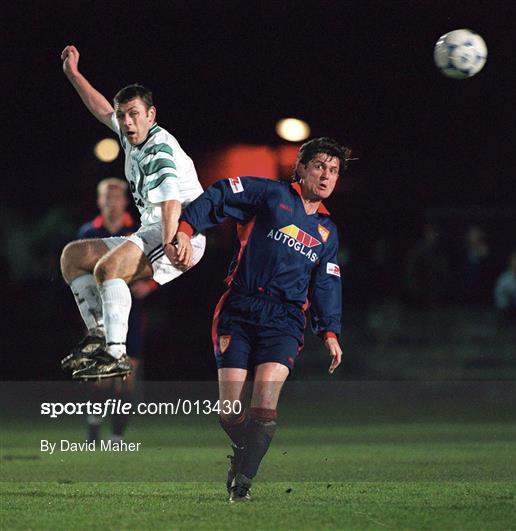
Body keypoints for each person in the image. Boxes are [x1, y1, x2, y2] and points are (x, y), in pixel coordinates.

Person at [174, 137, 347, 502]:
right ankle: (246, 452)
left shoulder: (328, 232)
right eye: (319, 166)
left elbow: (326, 282)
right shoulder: (269, 195)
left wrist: (329, 330)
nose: (326, 175)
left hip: (284, 320)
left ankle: (243, 483)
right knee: (229, 413)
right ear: (300, 168)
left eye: (333, 170)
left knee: (265, 406)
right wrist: (187, 229)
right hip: (240, 308)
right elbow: (220, 195)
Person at [59, 45, 205, 380]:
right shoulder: (130, 136)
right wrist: (74, 74)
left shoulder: (159, 148)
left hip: (182, 233)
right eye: (122, 115)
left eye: (134, 114)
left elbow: (170, 202)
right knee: (73, 257)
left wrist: (171, 242)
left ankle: (116, 354)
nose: (126, 121)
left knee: (108, 268)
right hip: (154, 229)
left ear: (151, 115)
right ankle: (98, 333)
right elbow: (100, 110)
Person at [76, 178, 155, 442]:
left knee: (126, 374)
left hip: (131, 311)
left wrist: (148, 285)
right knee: (102, 378)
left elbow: (157, 264)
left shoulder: (139, 231)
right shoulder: (88, 232)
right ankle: (94, 423)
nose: (111, 203)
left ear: (124, 201)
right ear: (100, 201)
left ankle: (118, 436)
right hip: (99, 314)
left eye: (116, 198)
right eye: (106, 198)